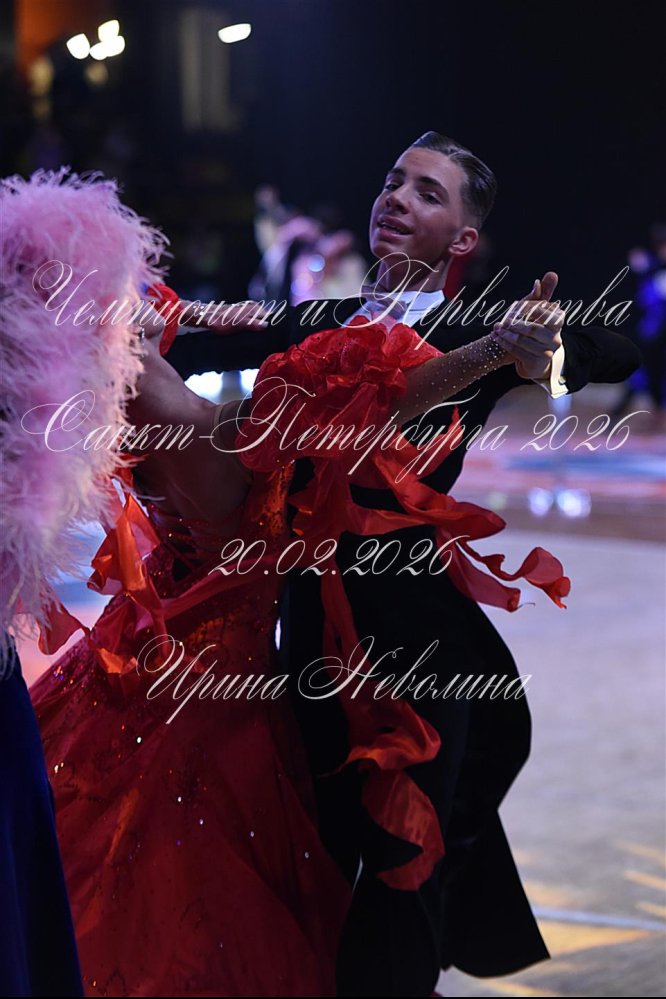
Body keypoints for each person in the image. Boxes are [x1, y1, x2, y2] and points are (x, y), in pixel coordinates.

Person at [17, 167, 567, 996]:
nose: (146, 291)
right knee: (209, 905)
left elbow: (245, 343)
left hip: (171, 661)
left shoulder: (124, 380)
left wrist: (529, 349)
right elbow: (378, 396)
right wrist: (493, 350)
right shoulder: (200, 405)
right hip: (219, 691)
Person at [165, 131, 642, 996]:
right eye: (394, 181)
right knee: (318, 858)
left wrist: (547, 351)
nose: (397, 198)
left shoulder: (476, 328)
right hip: (310, 635)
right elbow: (184, 348)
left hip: (417, 641)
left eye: (428, 193)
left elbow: (618, 346)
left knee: (400, 868)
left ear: (463, 238)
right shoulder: (320, 322)